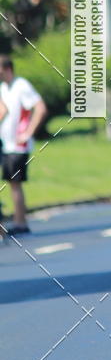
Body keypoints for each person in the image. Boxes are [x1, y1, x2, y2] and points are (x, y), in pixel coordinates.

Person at [0, 56, 47, 236]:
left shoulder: (21, 85)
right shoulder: (4, 88)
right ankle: (19, 221)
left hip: (19, 146)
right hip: (7, 144)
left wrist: (28, 132)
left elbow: (40, 108)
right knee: (12, 183)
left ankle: (21, 223)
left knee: (15, 184)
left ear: (7, 69)